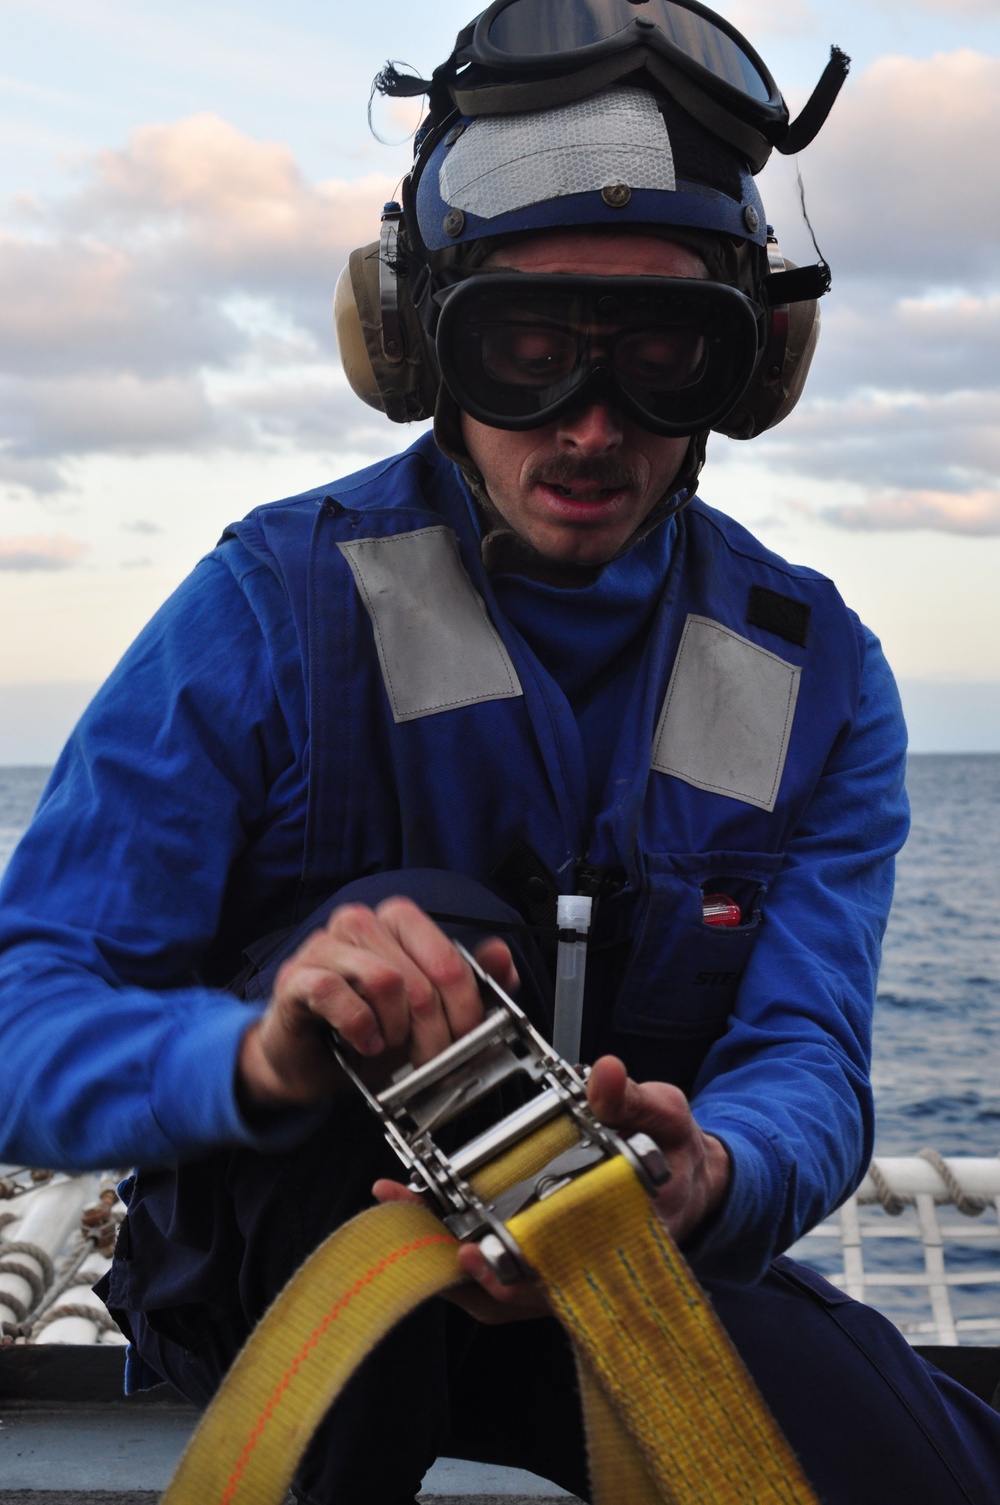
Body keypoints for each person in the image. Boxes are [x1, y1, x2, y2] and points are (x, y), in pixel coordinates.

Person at [1, 3, 998, 1501]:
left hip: (631, 1276)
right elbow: (25, 1015)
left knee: (935, 1458)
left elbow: (805, 1057)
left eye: (664, 348)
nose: (591, 425)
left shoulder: (822, 675)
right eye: (525, 343)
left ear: (750, 364)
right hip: (303, 1301)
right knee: (430, 931)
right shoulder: (271, 611)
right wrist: (264, 1054)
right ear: (420, 339)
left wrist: (709, 1170)